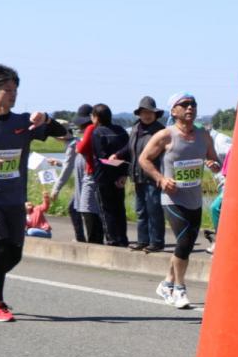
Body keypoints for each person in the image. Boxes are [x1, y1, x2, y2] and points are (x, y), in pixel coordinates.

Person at [0, 64, 67, 322]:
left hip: (15, 197)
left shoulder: (23, 122)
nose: (12, 95)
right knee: (1, 247)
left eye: (15, 90)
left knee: (15, 253)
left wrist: (47, 119)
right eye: (7, 90)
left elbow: (64, 134)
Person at [138, 92, 220, 309]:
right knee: (184, 243)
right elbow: (144, 159)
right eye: (184, 105)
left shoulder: (204, 135)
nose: (190, 107)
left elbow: (215, 161)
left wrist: (213, 165)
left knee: (187, 244)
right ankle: (179, 289)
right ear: (173, 111)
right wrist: (161, 179)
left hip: (195, 198)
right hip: (172, 198)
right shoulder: (165, 135)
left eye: (193, 104)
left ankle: (167, 283)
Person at [53, 104, 102, 244]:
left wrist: (56, 188)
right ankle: (84, 238)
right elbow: (73, 164)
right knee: (82, 209)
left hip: (87, 180)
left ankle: (82, 239)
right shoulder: (77, 140)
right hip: (84, 180)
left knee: (82, 209)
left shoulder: (75, 143)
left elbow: (69, 167)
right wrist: (58, 163)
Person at [87, 103, 131, 247]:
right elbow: (129, 153)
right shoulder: (121, 130)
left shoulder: (97, 132)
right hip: (120, 176)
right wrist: (123, 174)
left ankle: (112, 240)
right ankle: (122, 239)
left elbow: (102, 157)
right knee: (119, 209)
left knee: (106, 210)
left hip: (103, 176)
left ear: (96, 117)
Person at [126, 95, 166, 252]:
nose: (147, 115)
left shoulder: (160, 131)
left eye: (150, 112)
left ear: (155, 114)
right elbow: (129, 148)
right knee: (141, 210)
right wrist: (117, 155)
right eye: (144, 112)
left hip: (153, 176)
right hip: (138, 175)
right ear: (139, 114)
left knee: (154, 210)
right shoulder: (135, 128)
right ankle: (143, 241)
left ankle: (156, 242)